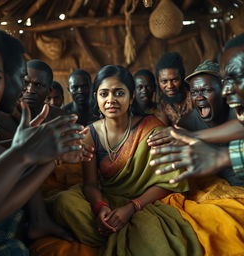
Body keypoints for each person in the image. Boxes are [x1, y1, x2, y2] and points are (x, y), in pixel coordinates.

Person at [46, 65, 202, 255]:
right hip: (107, 198)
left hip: (145, 201)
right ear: (96, 97)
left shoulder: (152, 129)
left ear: (132, 96)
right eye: (104, 94)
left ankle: (120, 233)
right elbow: (91, 184)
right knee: (64, 202)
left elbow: (169, 182)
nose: (111, 100)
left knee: (151, 236)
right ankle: (111, 228)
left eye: (119, 93)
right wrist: (99, 207)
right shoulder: (90, 133)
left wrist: (131, 208)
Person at [0, 29, 86, 256]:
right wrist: (24, 153)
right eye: (23, 78)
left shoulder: (53, 115)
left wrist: (47, 156)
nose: (27, 88)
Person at [150, 33, 244, 183]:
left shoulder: (234, 108)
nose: (227, 91)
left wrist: (222, 156)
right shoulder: (182, 118)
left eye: (207, 90)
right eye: (195, 92)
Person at [155, 52, 193, 125]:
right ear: (158, 82)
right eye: (164, 81)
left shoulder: (193, 97)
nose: (170, 86)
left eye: (174, 80)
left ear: (182, 78)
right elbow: (162, 129)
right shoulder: (163, 104)